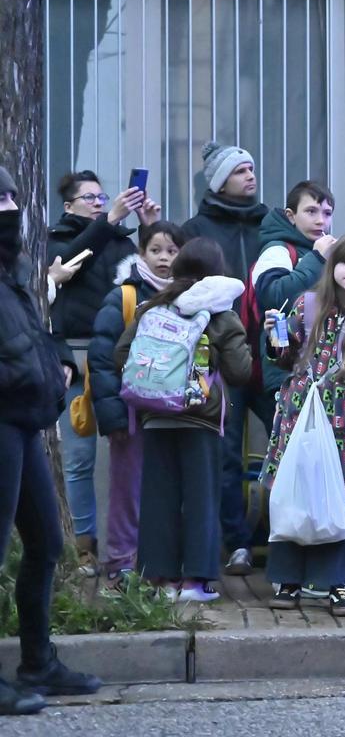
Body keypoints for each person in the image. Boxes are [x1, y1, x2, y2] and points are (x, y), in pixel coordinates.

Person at [0, 166, 101, 716]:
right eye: (0, 199)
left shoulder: (13, 270)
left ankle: (38, 661)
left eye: (12, 196)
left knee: (45, 543)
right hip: (3, 418)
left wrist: (58, 361)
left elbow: (36, 331)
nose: (10, 206)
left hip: (23, 421)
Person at [259, 235, 345, 616]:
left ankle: (338, 584)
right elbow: (282, 358)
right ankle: (287, 581)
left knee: (341, 502)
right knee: (293, 493)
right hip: (299, 415)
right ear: (331, 266)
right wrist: (275, 335)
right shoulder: (307, 304)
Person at [114, 237, 253, 602]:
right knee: (201, 500)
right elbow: (240, 372)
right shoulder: (221, 313)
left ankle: (160, 581)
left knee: (158, 498)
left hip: (155, 415)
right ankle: (194, 583)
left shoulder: (152, 307)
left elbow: (122, 355)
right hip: (200, 420)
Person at [48, 169, 160, 574]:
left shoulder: (120, 241)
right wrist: (108, 221)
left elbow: (152, 273)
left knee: (125, 455)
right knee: (78, 458)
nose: (98, 202)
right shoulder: (57, 238)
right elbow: (68, 264)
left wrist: (149, 230)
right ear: (68, 206)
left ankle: (125, 548)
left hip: (120, 359)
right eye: (89, 198)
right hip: (75, 361)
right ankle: (84, 545)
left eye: (102, 197)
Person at [182, 141, 270, 575]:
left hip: (273, 356)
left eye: (252, 169)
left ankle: (288, 538)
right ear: (220, 181)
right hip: (223, 359)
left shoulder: (270, 224)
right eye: (240, 171)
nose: (250, 176)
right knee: (227, 454)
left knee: (293, 441)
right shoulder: (196, 228)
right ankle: (236, 542)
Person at [88, 221, 186, 590]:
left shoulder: (189, 297)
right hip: (130, 413)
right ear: (141, 253)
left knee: (165, 492)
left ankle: (158, 563)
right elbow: (100, 358)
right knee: (127, 492)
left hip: (172, 413)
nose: (164, 258)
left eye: (172, 251)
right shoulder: (124, 297)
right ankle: (120, 562)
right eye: (156, 250)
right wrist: (112, 414)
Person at [252, 180, 338, 399]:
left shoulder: (327, 253)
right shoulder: (277, 250)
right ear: (291, 216)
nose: (321, 221)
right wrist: (317, 258)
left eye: (327, 213)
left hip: (325, 372)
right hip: (285, 373)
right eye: (311, 211)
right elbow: (273, 297)